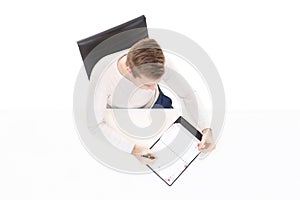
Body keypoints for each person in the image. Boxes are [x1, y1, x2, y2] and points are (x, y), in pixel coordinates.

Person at [94, 38, 215, 163]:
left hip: (156, 105)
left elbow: (187, 93)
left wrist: (206, 128)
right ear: (130, 70)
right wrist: (133, 149)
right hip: (121, 116)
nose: (152, 88)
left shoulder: (160, 62)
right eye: (147, 84)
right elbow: (95, 124)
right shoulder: (104, 76)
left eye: (156, 83)